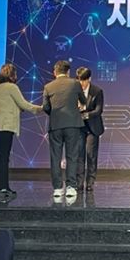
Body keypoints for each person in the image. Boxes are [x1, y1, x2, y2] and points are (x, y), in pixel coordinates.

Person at [0, 63, 41, 202]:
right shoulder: (12, 87)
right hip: (4, 127)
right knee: (4, 157)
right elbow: (23, 104)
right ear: (12, 75)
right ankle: (3, 187)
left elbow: (9, 105)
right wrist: (40, 108)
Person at [42, 60, 86, 198]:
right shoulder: (75, 83)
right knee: (72, 156)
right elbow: (84, 101)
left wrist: (55, 114)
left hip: (55, 125)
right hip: (73, 124)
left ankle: (57, 188)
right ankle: (71, 187)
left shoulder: (48, 87)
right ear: (68, 72)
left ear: (55, 72)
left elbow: (46, 108)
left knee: (55, 157)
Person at [76, 66, 105, 192]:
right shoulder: (74, 91)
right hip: (79, 127)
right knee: (79, 155)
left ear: (89, 79)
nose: (82, 83)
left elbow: (98, 110)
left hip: (93, 128)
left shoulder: (97, 91)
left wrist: (85, 114)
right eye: (79, 80)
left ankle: (90, 183)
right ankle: (79, 182)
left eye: (84, 80)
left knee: (91, 155)